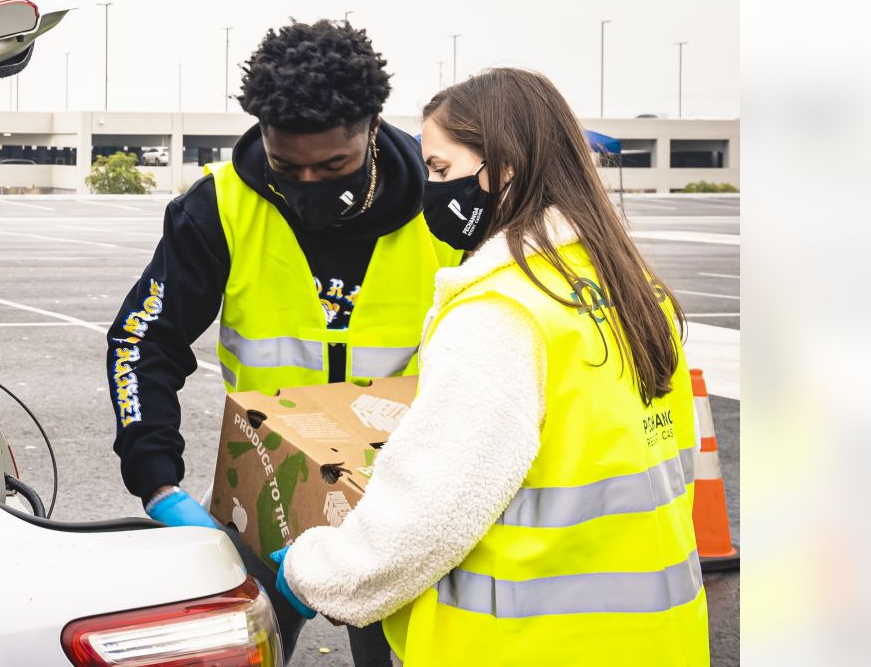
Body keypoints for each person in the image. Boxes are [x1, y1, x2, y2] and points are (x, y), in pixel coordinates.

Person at [273, 68, 711, 666]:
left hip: (528, 647)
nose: (431, 187)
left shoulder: (504, 312)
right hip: (656, 640)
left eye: (440, 169)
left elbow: (429, 517)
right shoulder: (634, 293)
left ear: (501, 167)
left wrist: (312, 571)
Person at [105, 20, 462, 665]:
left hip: (410, 503)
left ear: (373, 129)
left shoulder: (443, 205)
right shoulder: (221, 206)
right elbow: (142, 339)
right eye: (286, 165)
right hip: (270, 492)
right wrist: (158, 484)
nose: (309, 186)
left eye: (335, 165)